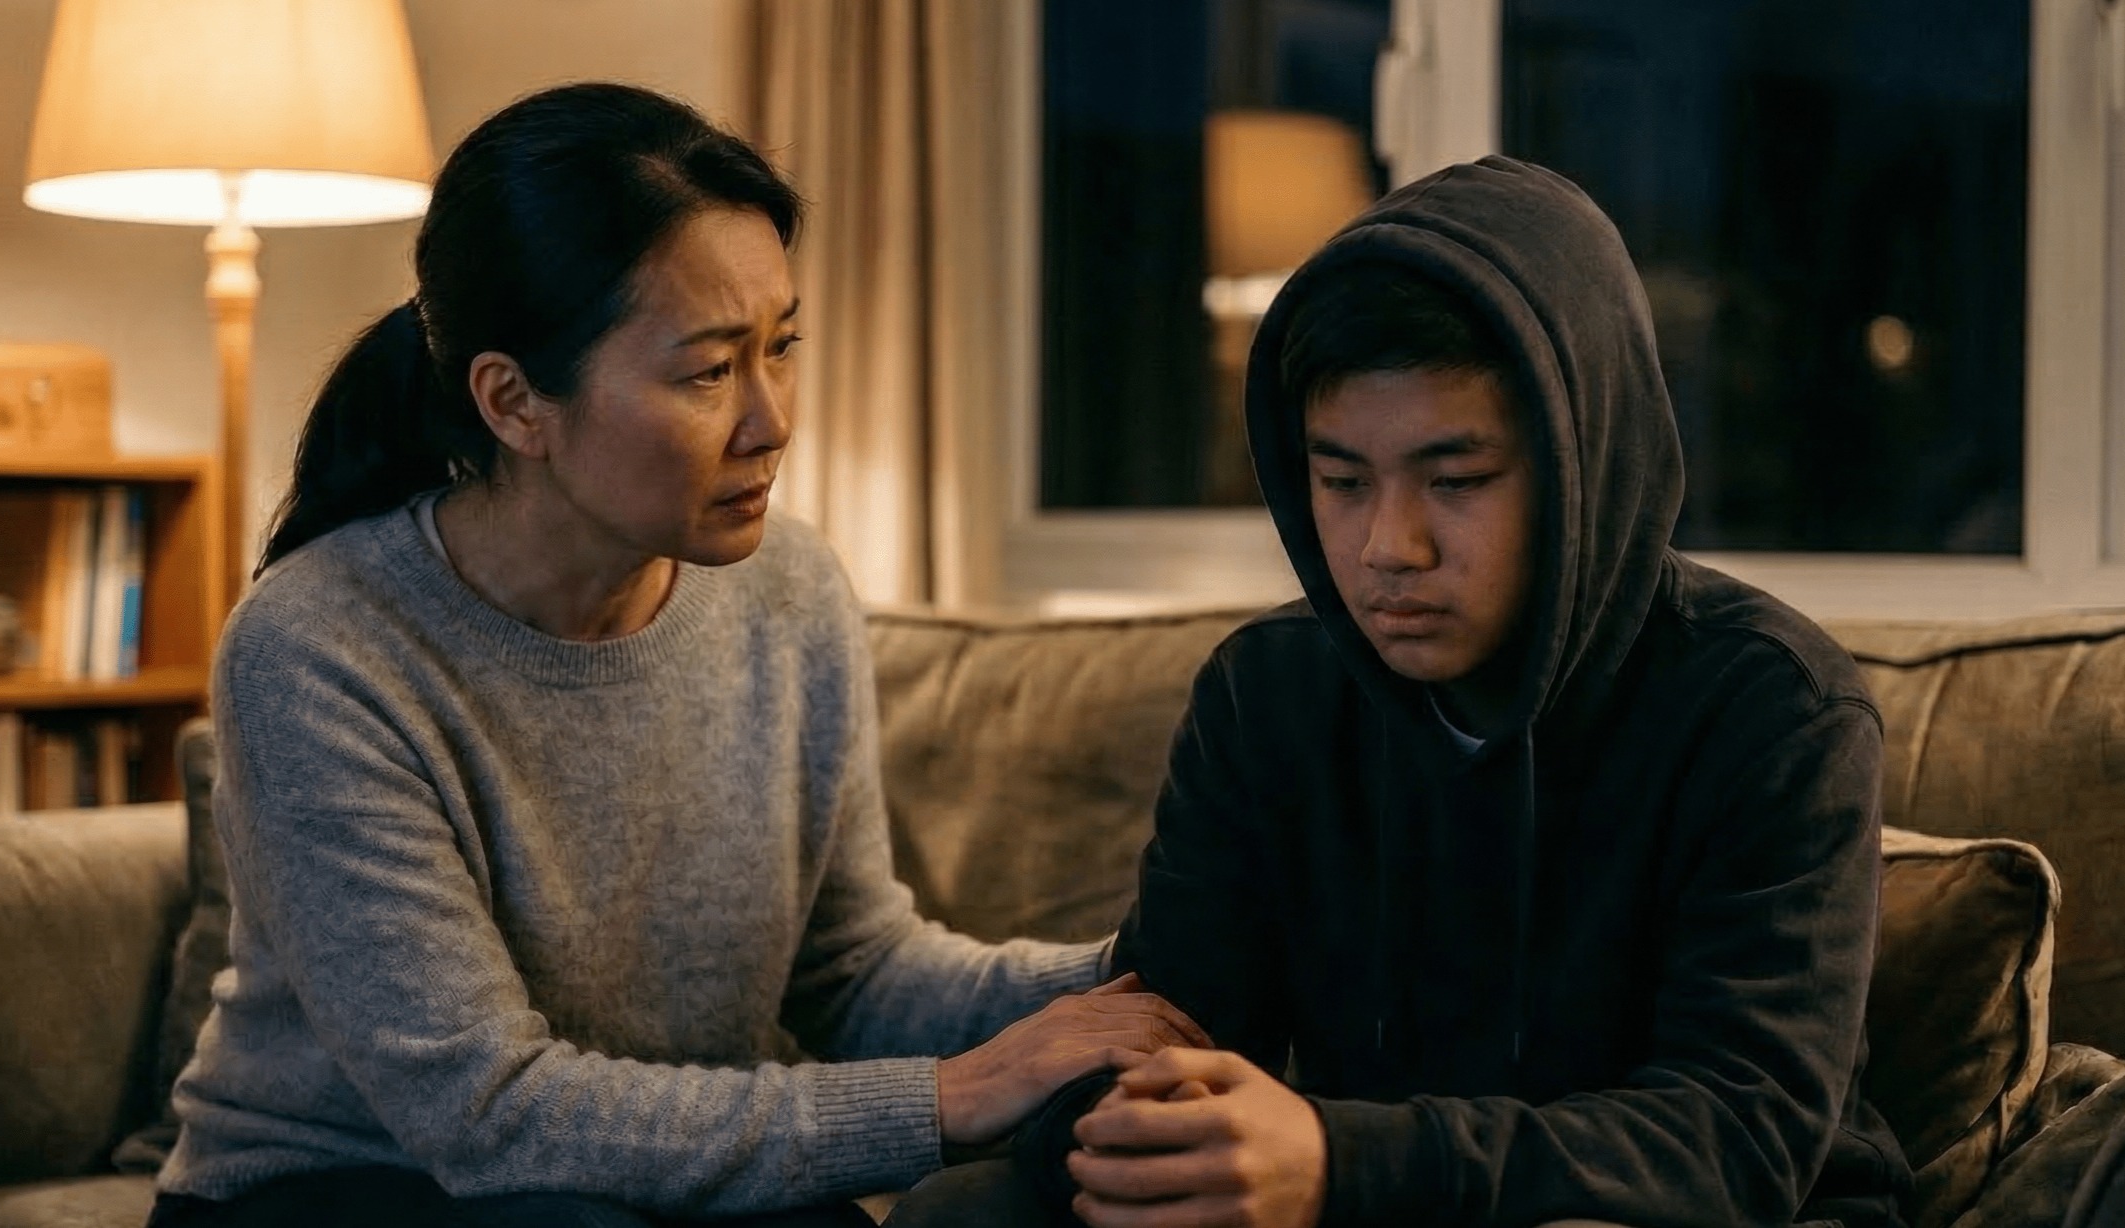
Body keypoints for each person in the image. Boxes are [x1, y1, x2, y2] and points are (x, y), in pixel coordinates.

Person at [146, 83, 1208, 1228]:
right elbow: (489, 1112)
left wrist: (1126, 976)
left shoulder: (788, 592)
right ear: (511, 402)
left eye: (781, 347)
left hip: (630, 1174)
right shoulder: (321, 644)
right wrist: (949, 1097)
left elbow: (851, 975)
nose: (772, 419)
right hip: (332, 1188)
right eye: (708, 372)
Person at [889, 157, 1915, 1228]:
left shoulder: (1772, 710)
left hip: (1686, 1206)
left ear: (1581, 466)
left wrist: (1340, 1159)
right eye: (1339, 482)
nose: (1389, 546)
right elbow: (1157, 1031)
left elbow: (1735, 1138)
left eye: (1455, 481)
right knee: (966, 1211)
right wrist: (1135, 1131)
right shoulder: (1265, 697)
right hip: (1351, 1199)